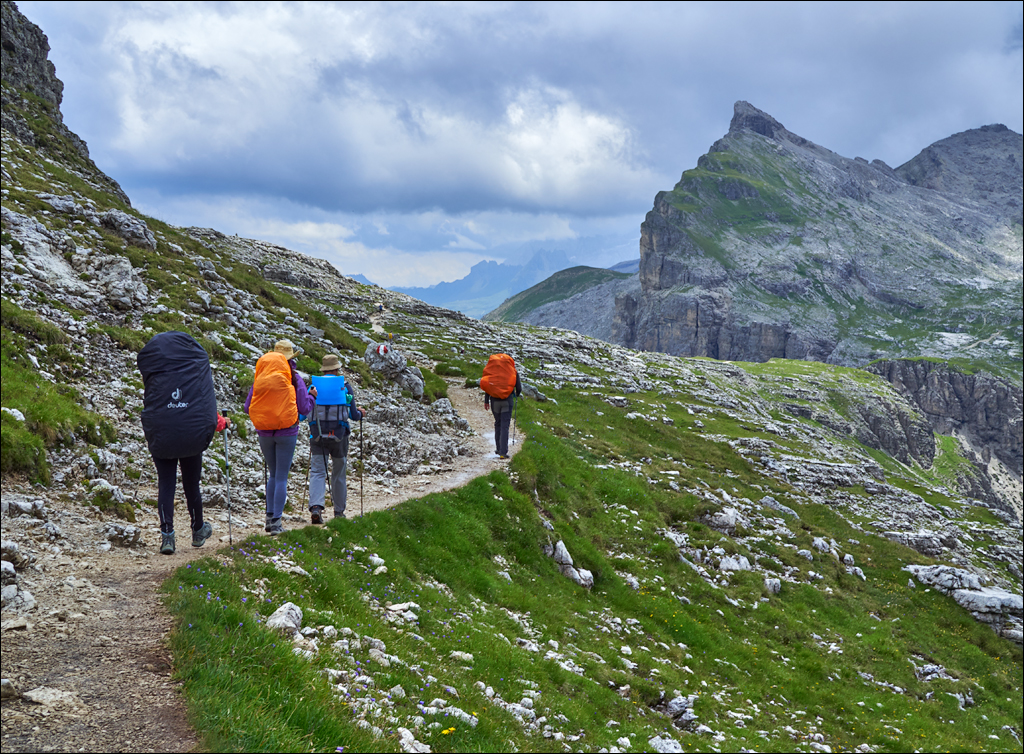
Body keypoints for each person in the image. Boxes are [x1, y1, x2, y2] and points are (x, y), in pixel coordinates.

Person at [137, 331, 231, 555]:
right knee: (191, 484)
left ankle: (167, 537)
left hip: (162, 433)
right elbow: (204, 409)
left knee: (166, 484)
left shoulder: (158, 374)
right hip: (191, 434)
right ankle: (198, 530)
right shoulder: (194, 372)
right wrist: (221, 423)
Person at [245, 339, 313, 535]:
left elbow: (247, 407)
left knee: (273, 474)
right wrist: (312, 396)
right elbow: (304, 408)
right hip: (286, 431)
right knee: (281, 476)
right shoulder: (294, 377)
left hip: (264, 431)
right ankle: (276, 522)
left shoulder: (261, 376)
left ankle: (269, 518)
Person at [307, 354, 365, 524]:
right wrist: (361, 413)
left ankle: (316, 508)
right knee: (339, 473)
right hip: (339, 436)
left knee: (318, 471)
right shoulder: (344, 387)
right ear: (337, 369)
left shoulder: (313, 387)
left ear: (324, 370)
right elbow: (354, 415)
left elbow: (303, 413)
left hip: (317, 436)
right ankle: (339, 512)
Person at [481, 353, 522, 460]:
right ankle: (503, 452)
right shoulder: (513, 372)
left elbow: (489, 386)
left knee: (498, 423)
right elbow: (519, 388)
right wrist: (516, 395)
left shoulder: (493, 372)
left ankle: (498, 449)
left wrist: (486, 401)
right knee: (505, 426)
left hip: (494, 401)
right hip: (507, 401)